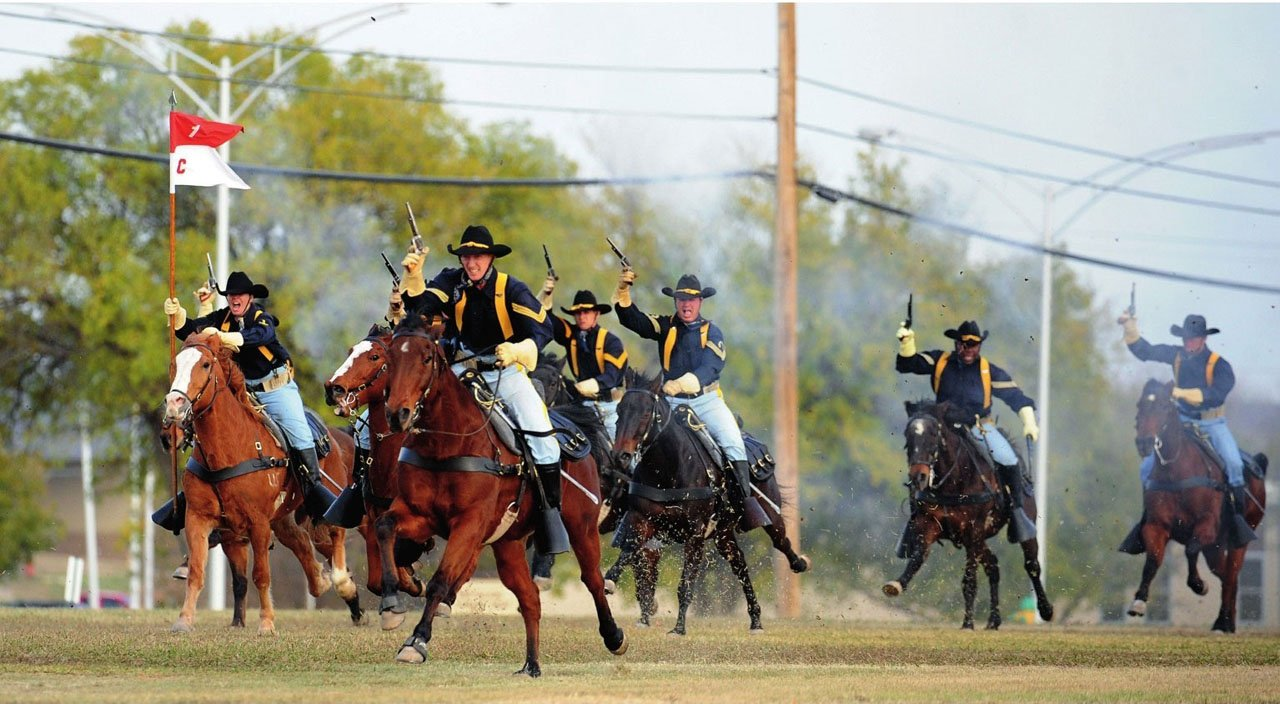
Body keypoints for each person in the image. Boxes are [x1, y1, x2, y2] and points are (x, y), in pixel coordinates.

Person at [399, 225, 569, 554]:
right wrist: (414, 278)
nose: (471, 262)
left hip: (506, 371)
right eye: (466, 256)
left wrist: (518, 351)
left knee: (543, 440)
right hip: (461, 370)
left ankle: (550, 517)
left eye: (477, 256)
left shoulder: (512, 289)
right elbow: (421, 312)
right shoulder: (451, 281)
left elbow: (543, 328)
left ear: (490, 258)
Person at [160, 271, 338, 523]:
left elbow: (261, 336)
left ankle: (314, 494)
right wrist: (177, 316)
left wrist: (225, 337)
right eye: (231, 295)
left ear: (250, 297)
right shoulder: (221, 318)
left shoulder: (260, 318)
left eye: (240, 295)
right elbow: (192, 332)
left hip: (275, 389)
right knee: (207, 426)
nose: (235, 299)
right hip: (242, 389)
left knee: (299, 435)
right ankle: (195, 493)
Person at [612, 269, 770, 531]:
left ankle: (743, 507)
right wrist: (623, 292)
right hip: (670, 404)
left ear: (700, 302)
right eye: (682, 299)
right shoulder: (666, 325)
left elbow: (711, 367)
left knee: (732, 444)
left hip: (706, 401)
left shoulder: (713, 332)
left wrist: (683, 383)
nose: (686, 304)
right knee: (640, 445)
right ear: (676, 302)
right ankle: (631, 512)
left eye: (691, 300)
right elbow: (634, 321)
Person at [1117, 312, 1256, 550]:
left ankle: (1237, 520)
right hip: (1181, 421)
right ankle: (1147, 519)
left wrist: (1181, 394)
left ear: (1203, 339)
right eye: (1186, 339)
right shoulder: (1176, 355)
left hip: (1212, 423)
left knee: (1233, 464)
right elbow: (1145, 351)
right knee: (1146, 468)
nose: (1188, 343)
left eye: (1193, 339)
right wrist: (1130, 327)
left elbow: (1215, 395)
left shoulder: (1220, 366)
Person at [895, 319, 1039, 546]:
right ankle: (915, 518)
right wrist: (907, 342)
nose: (967, 349)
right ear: (956, 344)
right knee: (919, 460)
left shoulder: (989, 371)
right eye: (962, 344)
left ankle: (1017, 513)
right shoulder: (940, 361)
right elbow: (908, 364)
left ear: (979, 346)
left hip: (979, 426)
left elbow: (1017, 397)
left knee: (1008, 459)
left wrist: (1029, 421)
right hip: (944, 428)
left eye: (972, 344)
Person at [537, 278, 629, 442]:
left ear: (597, 314)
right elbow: (549, 320)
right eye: (578, 313)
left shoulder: (611, 341)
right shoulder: (571, 335)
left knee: (617, 448)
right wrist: (546, 294)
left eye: (586, 312)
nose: (582, 317)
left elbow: (612, 376)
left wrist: (593, 384)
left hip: (608, 405)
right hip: (580, 405)